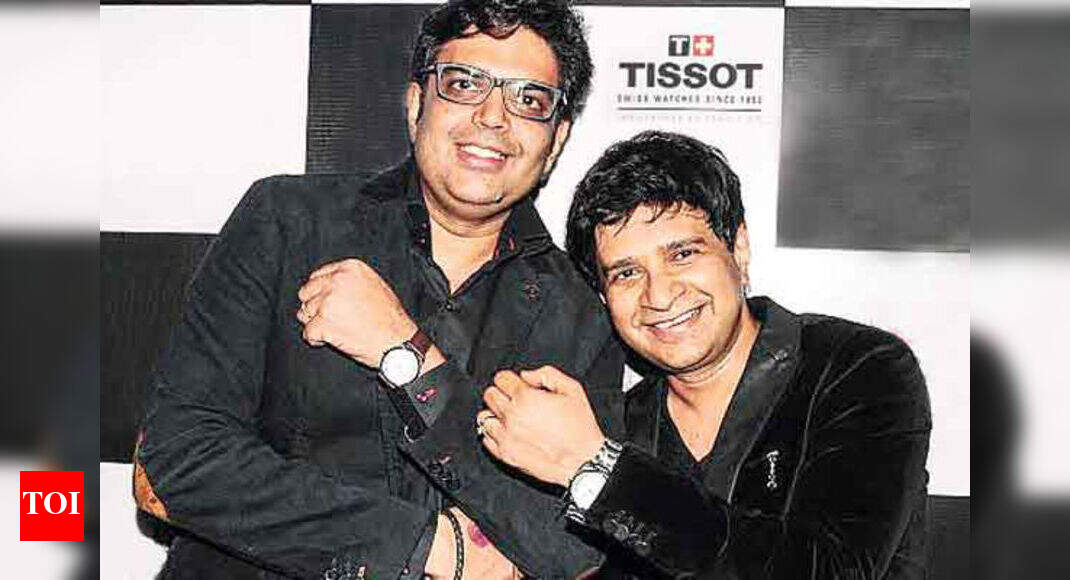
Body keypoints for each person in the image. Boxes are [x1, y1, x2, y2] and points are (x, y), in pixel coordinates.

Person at [133, 1, 626, 578]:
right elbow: (177, 461)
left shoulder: (583, 316)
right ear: (417, 104)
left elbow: (571, 548)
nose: (494, 116)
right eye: (464, 83)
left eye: (529, 99)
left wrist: (406, 356)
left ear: (556, 140)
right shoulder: (290, 222)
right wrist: (429, 546)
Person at [478, 131, 932, 578]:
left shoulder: (858, 369)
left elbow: (831, 569)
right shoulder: (620, 424)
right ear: (603, 298)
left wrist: (598, 468)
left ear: (738, 249)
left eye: (682, 254)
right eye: (627, 273)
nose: (659, 295)